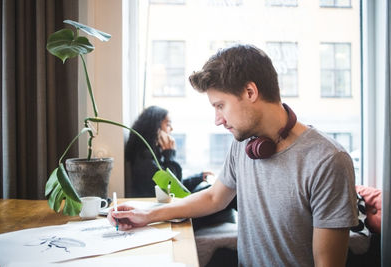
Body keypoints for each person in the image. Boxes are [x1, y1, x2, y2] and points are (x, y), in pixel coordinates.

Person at [110, 44, 358, 266]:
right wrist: (147, 215)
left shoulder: (328, 160)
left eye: (220, 106)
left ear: (250, 92)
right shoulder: (244, 143)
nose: (218, 120)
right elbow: (214, 198)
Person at [125, 105, 212, 197]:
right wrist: (169, 155)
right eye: (168, 124)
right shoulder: (144, 159)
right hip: (157, 206)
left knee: (210, 189)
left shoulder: (154, 154)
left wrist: (198, 178)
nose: (171, 129)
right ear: (156, 128)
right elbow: (172, 189)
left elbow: (177, 183)